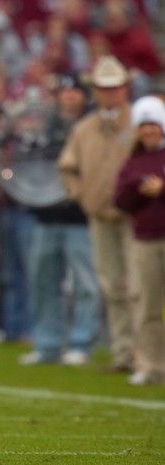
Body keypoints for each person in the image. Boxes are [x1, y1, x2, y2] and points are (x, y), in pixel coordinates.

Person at [58, 55, 137, 372]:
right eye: (103, 87)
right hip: (100, 216)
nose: (109, 93)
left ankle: (147, 354)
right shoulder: (85, 129)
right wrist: (82, 196)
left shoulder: (141, 123)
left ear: (125, 88)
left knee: (139, 288)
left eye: (115, 87)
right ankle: (124, 353)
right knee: (111, 286)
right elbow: (68, 168)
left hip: (136, 218)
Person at [18, 74, 101, 365]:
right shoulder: (42, 127)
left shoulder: (95, 127)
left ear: (84, 95)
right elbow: (24, 164)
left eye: (75, 91)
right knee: (43, 281)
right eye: (64, 91)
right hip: (45, 215)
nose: (69, 96)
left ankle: (82, 342)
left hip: (80, 215)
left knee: (86, 283)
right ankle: (48, 343)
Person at [114, 95, 165, 385]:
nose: (149, 131)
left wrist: (162, 189)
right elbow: (120, 200)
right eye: (143, 126)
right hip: (145, 240)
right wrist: (137, 187)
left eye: (153, 125)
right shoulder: (133, 162)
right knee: (147, 307)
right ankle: (153, 365)